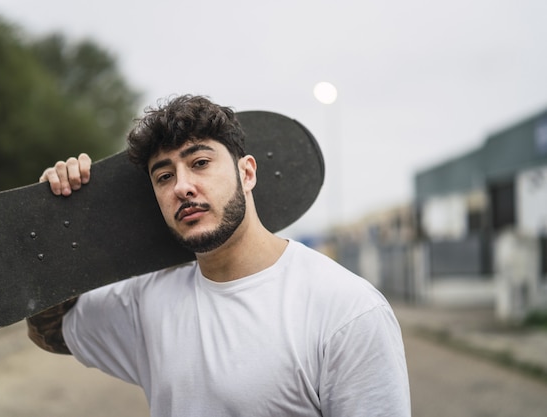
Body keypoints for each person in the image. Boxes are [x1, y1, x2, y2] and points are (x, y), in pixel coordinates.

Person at [27, 95, 411, 416]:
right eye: (163, 176)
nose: (182, 187)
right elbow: (53, 332)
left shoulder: (347, 310)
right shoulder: (149, 302)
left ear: (247, 174)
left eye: (200, 163)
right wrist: (65, 222)